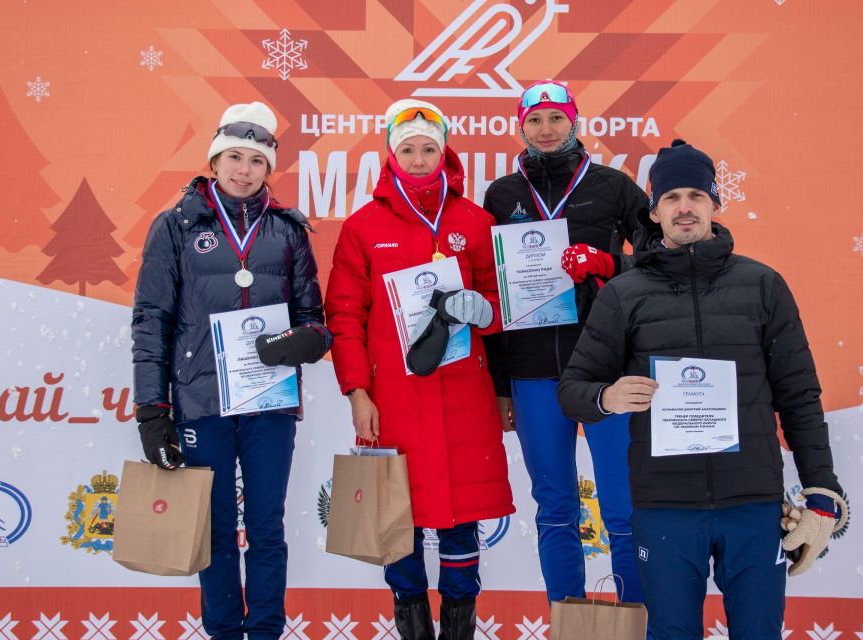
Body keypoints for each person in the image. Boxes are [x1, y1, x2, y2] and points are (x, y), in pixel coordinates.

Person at [557, 140, 848, 639]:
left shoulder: (763, 285)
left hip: (753, 502)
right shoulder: (625, 294)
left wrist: (823, 490)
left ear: (715, 203)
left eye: (696, 195)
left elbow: (798, 394)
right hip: (664, 505)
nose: (685, 207)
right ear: (654, 211)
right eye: (672, 197)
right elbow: (573, 390)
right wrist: (608, 397)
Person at [132, 101, 331, 640]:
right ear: (214, 162)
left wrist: (299, 343)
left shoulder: (288, 231)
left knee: (267, 528)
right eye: (234, 157)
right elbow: (152, 320)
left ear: (270, 169)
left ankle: (266, 631)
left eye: (256, 161)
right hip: (202, 401)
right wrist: (152, 410)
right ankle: (222, 632)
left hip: (269, 400)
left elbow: (314, 320)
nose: (244, 170)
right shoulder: (174, 226)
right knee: (216, 530)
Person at [325, 99, 514, 640]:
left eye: (428, 148)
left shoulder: (474, 221)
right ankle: (410, 618)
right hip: (394, 398)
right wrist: (358, 391)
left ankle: (458, 624)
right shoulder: (363, 227)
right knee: (397, 517)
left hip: (463, 395)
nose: (417, 158)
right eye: (406, 148)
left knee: (461, 517)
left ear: (444, 153)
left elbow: (499, 300)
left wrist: (487, 311)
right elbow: (344, 313)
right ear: (390, 154)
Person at [482, 80, 648, 606]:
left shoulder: (613, 186)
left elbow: (663, 254)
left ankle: (632, 618)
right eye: (535, 120)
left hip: (606, 369)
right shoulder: (502, 195)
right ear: (521, 126)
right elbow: (494, 294)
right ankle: (568, 617)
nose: (546, 130)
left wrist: (609, 265)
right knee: (554, 506)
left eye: (556, 118)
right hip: (534, 373)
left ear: (575, 122)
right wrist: (502, 386)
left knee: (622, 508)